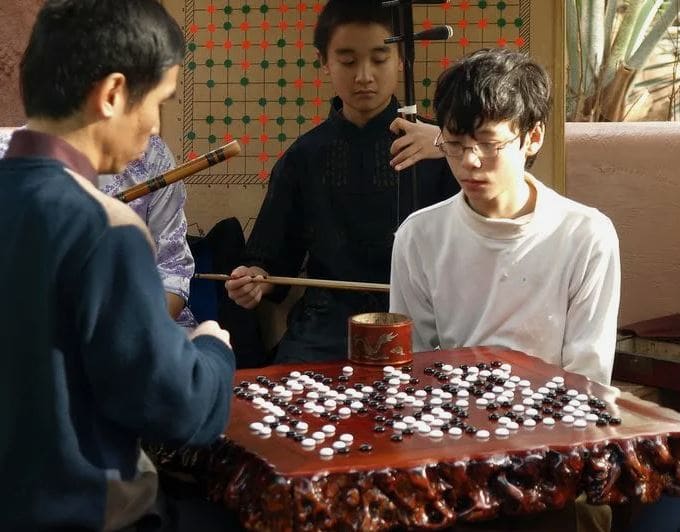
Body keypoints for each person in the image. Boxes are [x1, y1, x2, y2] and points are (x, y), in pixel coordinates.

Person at [0, 1, 236, 530]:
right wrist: (211, 351)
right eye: (158, 102)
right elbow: (176, 409)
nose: (154, 127)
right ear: (112, 94)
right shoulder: (105, 227)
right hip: (79, 511)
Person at [225, 0, 458, 364]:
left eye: (379, 59)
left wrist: (449, 146)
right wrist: (255, 278)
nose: (364, 75)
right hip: (327, 325)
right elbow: (270, 259)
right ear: (324, 60)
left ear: (401, 59)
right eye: (348, 61)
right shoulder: (305, 156)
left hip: (424, 320)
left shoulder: (440, 147)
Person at [389, 48, 620, 386]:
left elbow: (588, 377)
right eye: (454, 144)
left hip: (554, 424)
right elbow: (413, 365)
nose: (470, 161)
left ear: (534, 137)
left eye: (489, 144)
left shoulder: (585, 236)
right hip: (450, 425)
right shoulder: (419, 236)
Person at [0, 131, 198, 328]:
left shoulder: (151, 153)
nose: (154, 125)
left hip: (138, 329)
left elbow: (172, 273)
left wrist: (125, 338)